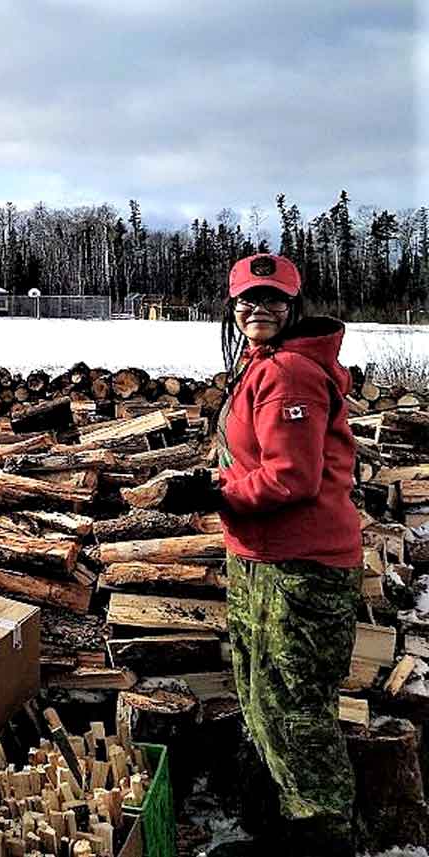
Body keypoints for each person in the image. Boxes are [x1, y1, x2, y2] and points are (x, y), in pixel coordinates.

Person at [210, 253, 364, 857]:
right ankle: (280, 825)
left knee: (296, 707)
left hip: (303, 566)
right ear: (232, 305)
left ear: (293, 307)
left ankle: (322, 841)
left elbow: (292, 478)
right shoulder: (259, 365)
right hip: (261, 555)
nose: (260, 309)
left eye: (274, 300)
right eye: (249, 299)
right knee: (260, 694)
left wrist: (216, 492)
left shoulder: (291, 373)